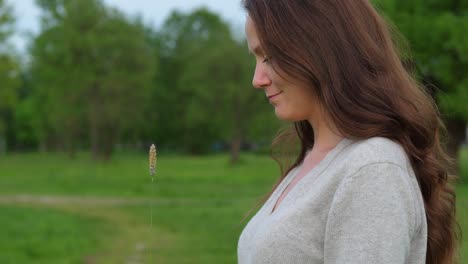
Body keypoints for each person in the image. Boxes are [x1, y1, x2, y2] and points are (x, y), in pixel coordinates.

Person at [237, 0, 458, 264]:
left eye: (269, 57)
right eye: (257, 58)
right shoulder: (316, 160)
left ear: (320, 48)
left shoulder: (372, 168)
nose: (257, 79)